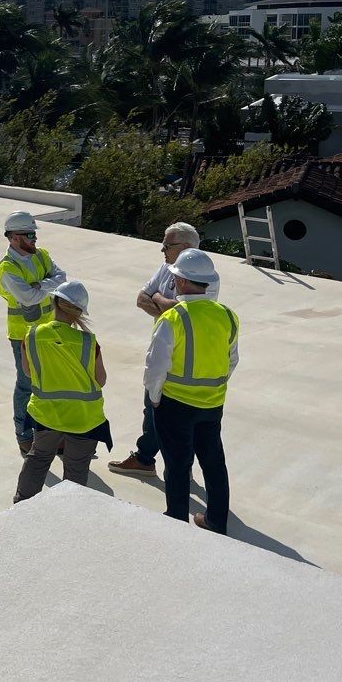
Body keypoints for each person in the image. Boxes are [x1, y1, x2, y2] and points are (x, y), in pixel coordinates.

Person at [109, 222, 218, 479]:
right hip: (163, 345)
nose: (162, 249)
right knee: (153, 410)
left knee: (180, 416)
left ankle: (170, 463)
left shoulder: (207, 277)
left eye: (167, 245)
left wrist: (158, 298)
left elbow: (185, 312)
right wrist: (164, 304)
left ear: (186, 247)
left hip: (186, 356)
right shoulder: (166, 268)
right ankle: (147, 459)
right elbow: (140, 299)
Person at [144, 248, 239, 533]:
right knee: (213, 463)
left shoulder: (173, 318)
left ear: (182, 282)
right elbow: (232, 359)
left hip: (175, 405)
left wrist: (155, 397)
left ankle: (176, 521)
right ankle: (215, 521)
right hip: (212, 405)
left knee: (177, 464)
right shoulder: (228, 315)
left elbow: (155, 366)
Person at [12, 281, 112, 502]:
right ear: (79, 311)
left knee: (38, 458)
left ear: (55, 301)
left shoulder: (31, 336)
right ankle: (69, 512)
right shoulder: (88, 342)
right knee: (76, 468)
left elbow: (28, 373)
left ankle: (21, 504)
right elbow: (101, 380)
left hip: (47, 415)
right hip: (84, 418)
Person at [0, 211, 67, 457]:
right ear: (13, 238)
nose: (34, 239)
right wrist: (46, 285)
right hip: (24, 336)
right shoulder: (7, 269)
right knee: (26, 385)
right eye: (29, 235)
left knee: (51, 383)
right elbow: (29, 297)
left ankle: (51, 435)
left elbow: (62, 278)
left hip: (50, 330)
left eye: (34, 234)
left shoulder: (41, 255)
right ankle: (24, 435)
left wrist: (40, 285)